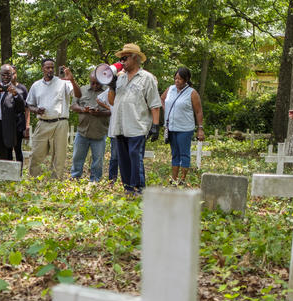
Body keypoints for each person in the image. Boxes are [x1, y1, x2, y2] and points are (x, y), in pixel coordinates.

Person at [108, 43, 161, 195]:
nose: (122, 61)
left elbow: (154, 103)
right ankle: (128, 187)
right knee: (123, 158)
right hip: (120, 125)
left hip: (137, 125)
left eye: (125, 58)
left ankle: (138, 186)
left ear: (135, 58)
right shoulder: (120, 78)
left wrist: (155, 126)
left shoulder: (147, 78)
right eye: (121, 58)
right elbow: (111, 101)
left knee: (134, 156)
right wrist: (111, 86)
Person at [26, 58, 81, 179]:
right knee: (36, 153)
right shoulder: (36, 85)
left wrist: (71, 79)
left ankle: (55, 182)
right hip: (43, 122)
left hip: (60, 122)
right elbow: (29, 104)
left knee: (59, 155)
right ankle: (34, 179)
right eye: (47, 67)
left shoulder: (64, 82)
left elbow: (78, 95)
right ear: (42, 69)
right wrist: (36, 110)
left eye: (52, 67)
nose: (50, 70)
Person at [161, 67, 204, 186]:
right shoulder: (170, 89)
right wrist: (166, 111)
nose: (177, 81)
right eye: (175, 78)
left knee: (184, 154)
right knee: (174, 153)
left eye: (180, 79)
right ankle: (174, 178)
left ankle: (183, 179)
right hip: (171, 128)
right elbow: (162, 99)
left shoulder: (192, 93)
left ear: (186, 79)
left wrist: (200, 128)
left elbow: (198, 111)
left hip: (185, 129)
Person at [70, 72, 111, 182]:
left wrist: (100, 113)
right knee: (77, 157)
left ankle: (95, 180)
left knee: (98, 159)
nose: (95, 86)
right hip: (82, 130)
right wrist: (84, 109)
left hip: (99, 131)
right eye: (92, 83)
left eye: (98, 83)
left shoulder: (108, 92)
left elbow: (113, 110)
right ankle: (75, 177)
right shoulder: (82, 90)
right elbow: (73, 106)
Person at [11, 66, 29, 163]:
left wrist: (27, 125)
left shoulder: (22, 88)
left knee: (18, 149)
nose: (13, 76)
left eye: (14, 73)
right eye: (10, 74)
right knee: (6, 149)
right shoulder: (3, 87)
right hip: (6, 121)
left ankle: (20, 172)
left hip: (19, 122)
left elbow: (27, 109)